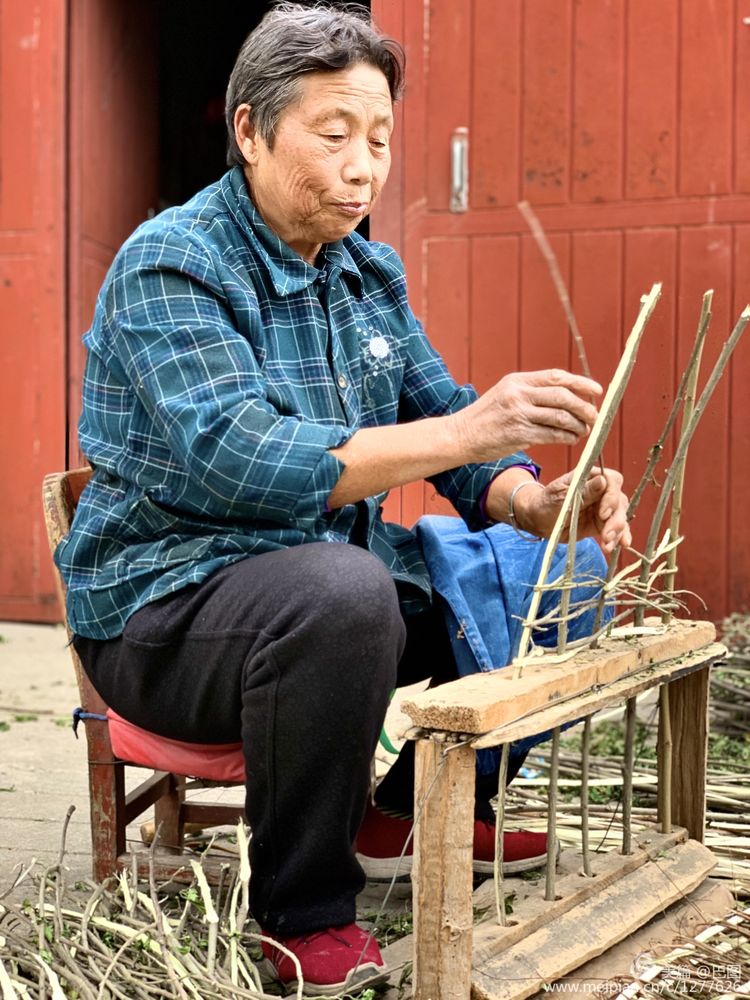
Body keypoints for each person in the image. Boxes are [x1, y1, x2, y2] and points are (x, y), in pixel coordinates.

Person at [56, 4, 630, 993]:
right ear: (250, 130)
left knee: (565, 574)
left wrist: (533, 504)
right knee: (343, 590)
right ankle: (305, 913)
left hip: (326, 601)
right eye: (334, 135)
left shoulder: (366, 273)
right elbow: (241, 459)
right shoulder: (172, 261)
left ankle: (399, 815)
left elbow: (444, 418)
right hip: (167, 613)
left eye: (380, 139)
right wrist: (468, 432)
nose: (364, 168)